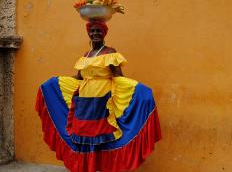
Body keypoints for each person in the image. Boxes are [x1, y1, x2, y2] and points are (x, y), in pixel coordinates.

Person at [35, 19, 162, 172]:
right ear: (89, 33)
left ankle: (102, 167)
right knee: (85, 137)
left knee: (101, 138)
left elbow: (118, 76)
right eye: (93, 31)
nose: (95, 33)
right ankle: (88, 168)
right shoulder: (85, 55)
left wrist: (138, 88)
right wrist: (55, 82)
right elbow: (79, 78)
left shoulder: (110, 52)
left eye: (98, 31)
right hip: (84, 102)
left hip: (102, 102)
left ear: (104, 33)